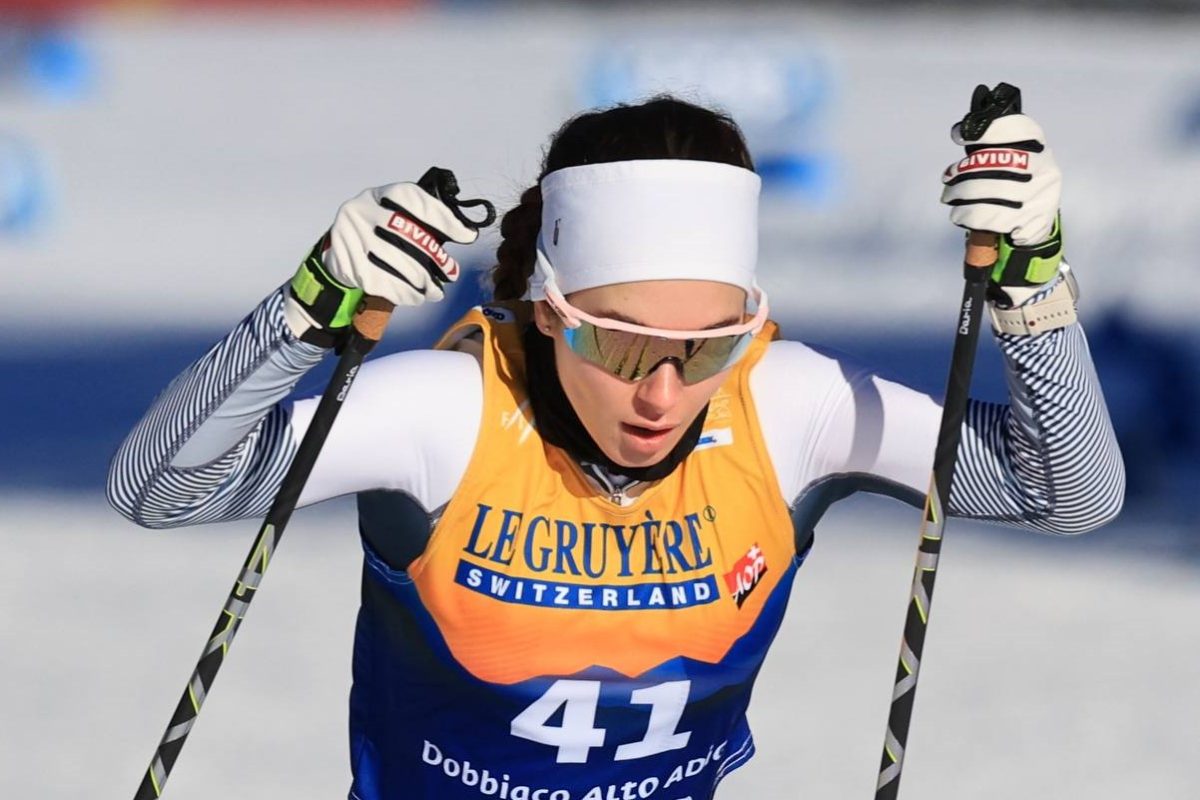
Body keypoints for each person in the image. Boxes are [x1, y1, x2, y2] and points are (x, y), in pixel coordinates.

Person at [108, 95, 1124, 800]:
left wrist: (1033, 286)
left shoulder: (787, 407)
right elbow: (160, 488)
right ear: (549, 311)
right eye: (621, 343)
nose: (664, 393)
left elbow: (1070, 493)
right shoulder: (449, 414)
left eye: (711, 346)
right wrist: (307, 308)